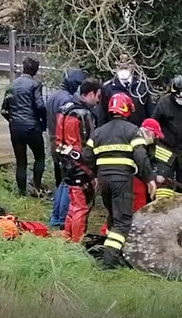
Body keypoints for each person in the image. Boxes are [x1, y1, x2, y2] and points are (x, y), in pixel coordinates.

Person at [83, 92, 157, 268]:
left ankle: (111, 252)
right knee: (123, 222)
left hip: (103, 181)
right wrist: (150, 179)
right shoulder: (133, 131)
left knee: (113, 218)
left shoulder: (98, 132)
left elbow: (87, 156)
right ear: (129, 109)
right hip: (122, 180)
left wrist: (96, 173)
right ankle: (109, 262)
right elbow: (140, 155)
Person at [56, 78, 101, 242]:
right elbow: (89, 144)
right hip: (80, 166)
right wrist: (92, 171)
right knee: (81, 207)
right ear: (90, 93)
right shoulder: (84, 114)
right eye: (97, 96)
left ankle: (67, 237)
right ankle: (76, 242)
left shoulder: (64, 108)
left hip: (65, 162)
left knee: (73, 206)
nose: (98, 100)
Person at [47, 69, 88, 229]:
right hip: (65, 146)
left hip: (54, 142)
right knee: (68, 183)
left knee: (63, 182)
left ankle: (56, 216)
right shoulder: (67, 101)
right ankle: (61, 217)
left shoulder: (54, 96)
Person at [1, 57, 46, 196]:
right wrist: (42, 122)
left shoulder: (12, 85)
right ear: (36, 70)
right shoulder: (35, 84)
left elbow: (4, 110)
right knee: (39, 157)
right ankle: (36, 187)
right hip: (31, 126)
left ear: (23, 68)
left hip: (16, 127)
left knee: (21, 161)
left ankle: (22, 192)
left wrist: (12, 121)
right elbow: (40, 106)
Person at [100, 54, 155, 127]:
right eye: (120, 67)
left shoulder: (141, 86)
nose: (123, 71)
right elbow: (103, 116)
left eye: (126, 67)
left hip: (138, 132)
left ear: (133, 67)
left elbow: (150, 113)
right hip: (116, 133)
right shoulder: (108, 88)